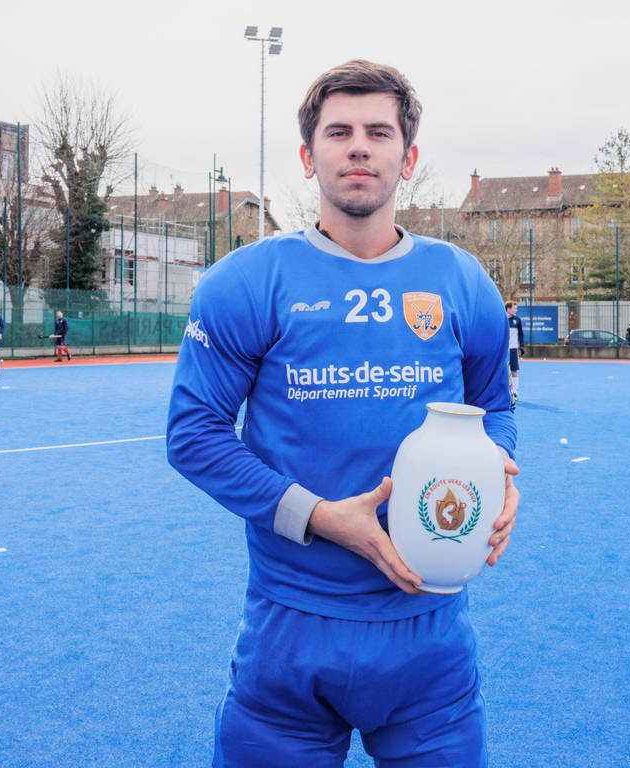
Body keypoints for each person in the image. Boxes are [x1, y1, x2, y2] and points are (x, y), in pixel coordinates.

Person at [167, 60, 519, 768]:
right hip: (291, 628)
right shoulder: (248, 280)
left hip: (431, 633)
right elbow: (194, 434)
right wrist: (322, 517)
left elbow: (494, 410)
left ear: (407, 158)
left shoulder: (462, 280)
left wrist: (503, 472)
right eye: (339, 132)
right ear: (309, 156)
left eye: (378, 132)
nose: (359, 146)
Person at [505, 300, 524, 406]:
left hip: (513, 350)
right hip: (503, 350)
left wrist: (521, 348)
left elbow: (521, 335)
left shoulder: (517, 320)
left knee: (514, 371)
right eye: (514, 308)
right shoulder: (501, 319)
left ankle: (515, 393)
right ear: (508, 309)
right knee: (501, 371)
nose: (516, 310)